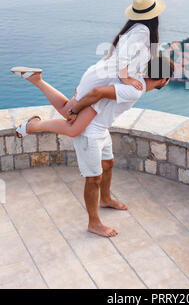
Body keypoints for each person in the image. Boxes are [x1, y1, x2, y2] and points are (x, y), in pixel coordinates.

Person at [11, 56, 174, 238]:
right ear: (164, 80)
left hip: (100, 124)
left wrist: (78, 96)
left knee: (108, 163)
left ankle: (105, 199)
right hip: (91, 130)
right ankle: (94, 223)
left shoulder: (133, 76)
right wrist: (76, 107)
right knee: (93, 178)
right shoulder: (135, 89)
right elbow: (98, 91)